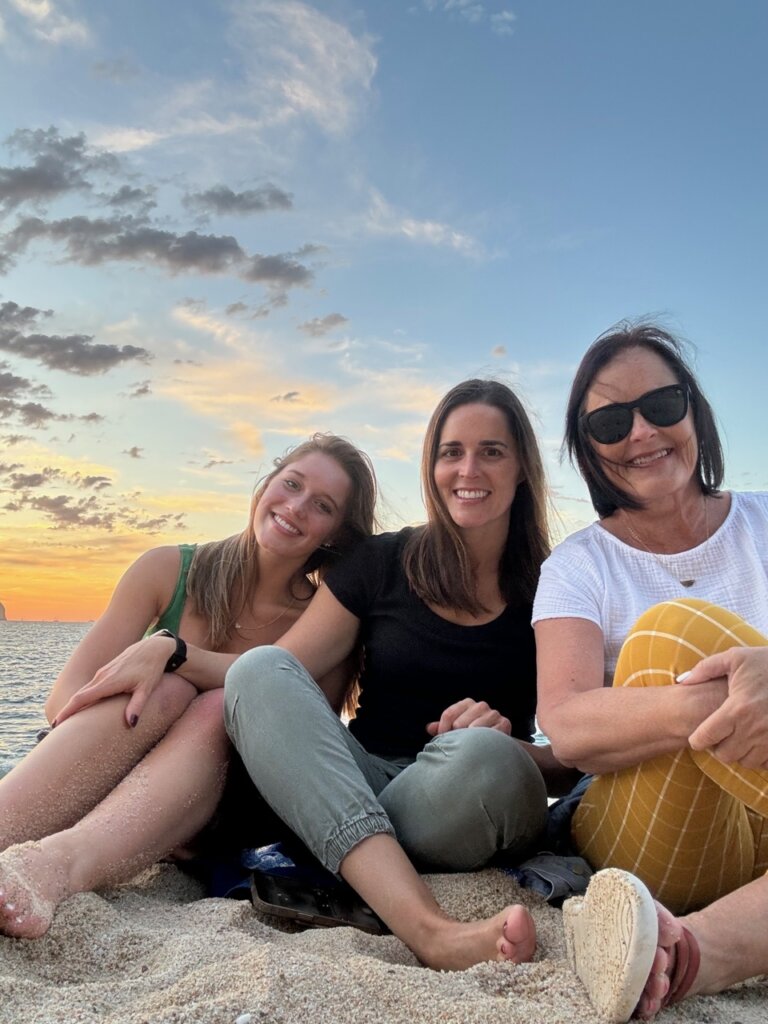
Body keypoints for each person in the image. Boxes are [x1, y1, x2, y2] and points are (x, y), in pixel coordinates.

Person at [224, 378, 571, 972]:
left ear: (521, 469)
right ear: (432, 467)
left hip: (472, 795)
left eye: (491, 451)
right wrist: (169, 653)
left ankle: (357, 859)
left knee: (483, 757)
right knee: (258, 669)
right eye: (451, 452)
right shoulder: (380, 561)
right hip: (363, 782)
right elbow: (282, 673)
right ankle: (428, 929)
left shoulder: (556, 584)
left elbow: (577, 758)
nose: (468, 469)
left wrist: (509, 744)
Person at [0, 433, 377, 939]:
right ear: (266, 483)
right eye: (291, 484)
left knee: (215, 704)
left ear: (336, 533)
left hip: (226, 810)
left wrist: (173, 657)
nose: (296, 507)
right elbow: (63, 698)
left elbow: (299, 762)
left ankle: (54, 867)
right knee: (165, 692)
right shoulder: (168, 569)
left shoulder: (322, 623)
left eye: (323, 505)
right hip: (118, 778)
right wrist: (147, 725)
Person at [533, 321, 768, 1019]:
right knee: (672, 637)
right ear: (589, 449)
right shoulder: (579, 565)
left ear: (693, 408)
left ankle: (688, 954)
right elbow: (568, 725)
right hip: (657, 826)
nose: (641, 433)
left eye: (661, 405)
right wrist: (720, 705)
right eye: (611, 423)